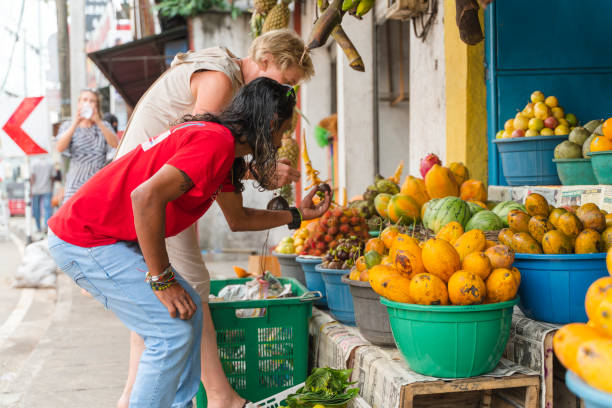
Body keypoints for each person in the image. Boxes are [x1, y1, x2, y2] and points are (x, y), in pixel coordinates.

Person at [47, 78, 331, 408]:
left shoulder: (224, 151)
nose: (282, 141)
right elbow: (145, 197)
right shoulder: (214, 143)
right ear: (269, 123)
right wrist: (162, 279)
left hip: (105, 237)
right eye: (283, 131)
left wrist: (297, 215)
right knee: (169, 333)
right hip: (84, 237)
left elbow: (238, 220)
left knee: (188, 314)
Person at [114, 29, 315, 408]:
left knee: (162, 301)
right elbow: (202, 148)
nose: (285, 96)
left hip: (155, 187)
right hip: (150, 191)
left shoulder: (229, 81)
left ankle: (131, 397)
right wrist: (259, 174)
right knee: (189, 286)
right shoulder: (222, 81)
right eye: (287, 84)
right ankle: (223, 397)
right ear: (266, 59)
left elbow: (215, 164)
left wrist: (259, 176)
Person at [56, 89, 118, 203]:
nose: (88, 103)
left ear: (96, 105)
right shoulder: (68, 125)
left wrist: (98, 121)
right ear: (79, 103)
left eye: (92, 101)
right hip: (75, 185)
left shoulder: (104, 125)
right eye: (85, 100)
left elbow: (115, 144)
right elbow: (60, 147)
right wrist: (75, 122)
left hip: (97, 184)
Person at [30, 155, 55, 235]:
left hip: (36, 190)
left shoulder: (33, 163)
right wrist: (52, 188)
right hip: (47, 189)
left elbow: (32, 177)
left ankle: (38, 227)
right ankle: (46, 227)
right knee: (47, 209)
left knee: (37, 209)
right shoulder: (50, 163)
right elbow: (52, 177)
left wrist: (30, 190)